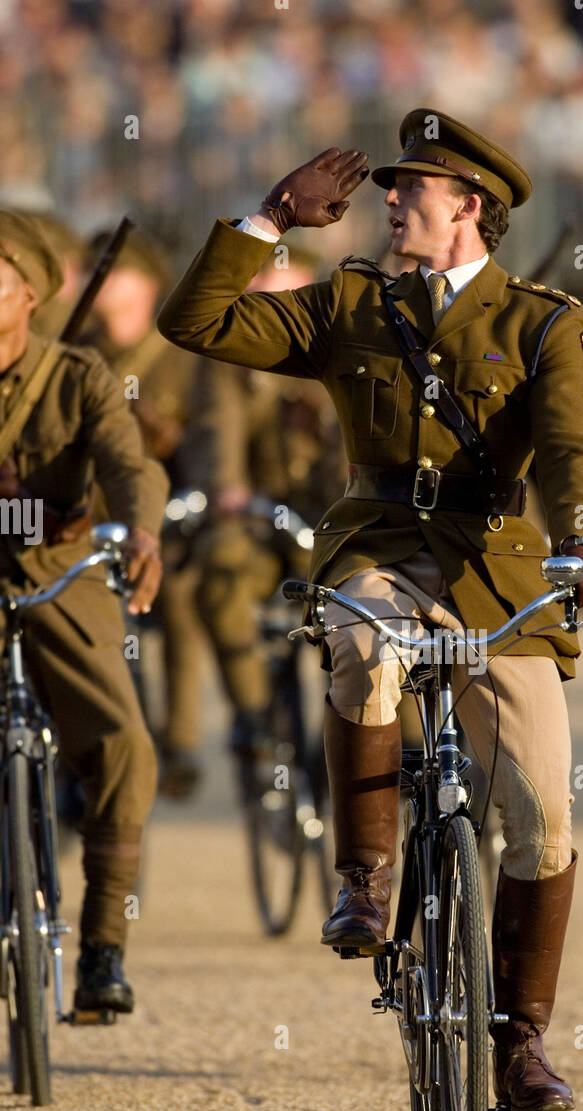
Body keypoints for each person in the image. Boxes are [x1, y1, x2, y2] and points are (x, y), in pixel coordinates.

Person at [157, 112, 583, 1111]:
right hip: (376, 548)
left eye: (412, 185)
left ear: (471, 207)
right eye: (388, 184)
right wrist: (269, 221)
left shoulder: (541, 320)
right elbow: (196, 323)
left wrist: (582, 539)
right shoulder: (355, 302)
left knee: (542, 815)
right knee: (358, 636)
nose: (389, 198)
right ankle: (362, 879)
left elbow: (576, 444)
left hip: (496, 569)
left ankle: (518, 1046)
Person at [0, 211, 167, 1012]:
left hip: (60, 575)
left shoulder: (79, 378)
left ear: (29, 294)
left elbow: (128, 463)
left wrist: (139, 529)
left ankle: (103, 947)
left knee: (124, 743)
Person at [184, 245, 345, 760]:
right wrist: (226, 490)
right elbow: (216, 431)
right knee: (221, 570)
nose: (277, 313)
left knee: (364, 607)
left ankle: (373, 737)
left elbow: (352, 448)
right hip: (252, 521)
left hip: (325, 524)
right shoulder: (228, 358)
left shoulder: (341, 349)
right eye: (265, 300)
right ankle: (253, 714)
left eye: (290, 299)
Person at [85, 228, 228, 797]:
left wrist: (169, 440)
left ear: (147, 284)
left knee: (179, 589)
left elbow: (208, 438)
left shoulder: (180, 355)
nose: (104, 283)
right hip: (94, 516)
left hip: (170, 513)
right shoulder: (84, 352)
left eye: (117, 272)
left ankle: (183, 740)